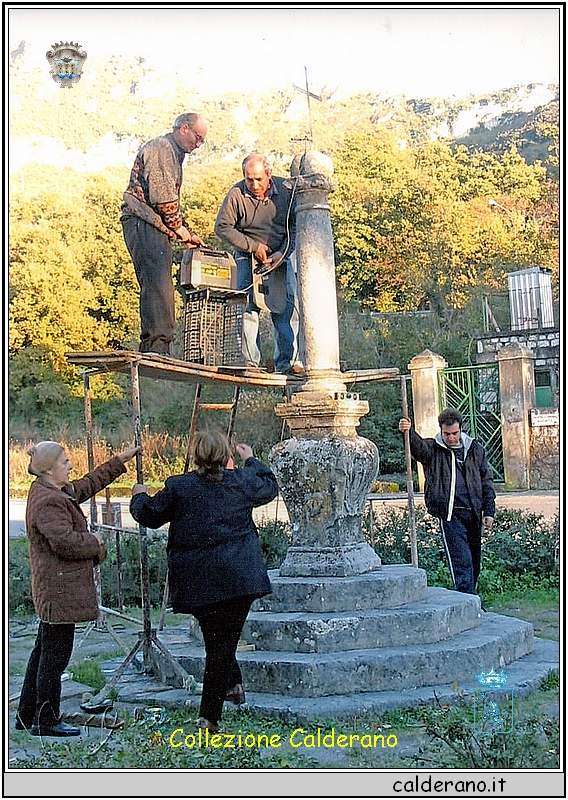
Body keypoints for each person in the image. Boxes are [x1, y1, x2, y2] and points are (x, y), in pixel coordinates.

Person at [129, 431, 278, 732]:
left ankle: (209, 715)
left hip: (199, 581)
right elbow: (269, 486)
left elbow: (148, 515)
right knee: (220, 643)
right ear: (226, 457)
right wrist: (251, 459)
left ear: (195, 456)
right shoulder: (241, 483)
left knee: (218, 643)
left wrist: (138, 494)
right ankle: (229, 690)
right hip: (239, 577)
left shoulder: (179, 487)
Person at [16, 441, 139, 736]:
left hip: (55, 590)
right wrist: (95, 544)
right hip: (59, 592)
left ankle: (26, 714)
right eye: (65, 461)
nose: (70, 465)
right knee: (54, 659)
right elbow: (65, 542)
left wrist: (118, 462)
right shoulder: (49, 501)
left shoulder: (48, 490)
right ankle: (45, 721)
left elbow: (86, 486)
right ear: (48, 469)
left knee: (43, 650)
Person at [121, 113, 208, 356]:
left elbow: (170, 202)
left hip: (150, 223)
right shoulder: (162, 148)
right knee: (158, 283)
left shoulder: (172, 153)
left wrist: (187, 233)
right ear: (184, 128)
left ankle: (155, 344)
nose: (198, 145)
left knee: (156, 283)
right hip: (143, 221)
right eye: (197, 137)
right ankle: (158, 346)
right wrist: (180, 229)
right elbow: (163, 197)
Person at [214, 153, 303, 375]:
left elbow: (296, 225)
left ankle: (288, 362)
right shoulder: (236, 194)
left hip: (279, 255)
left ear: (269, 175)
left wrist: (283, 253)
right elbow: (223, 227)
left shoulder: (286, 191)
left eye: (258, 179)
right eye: (249, 179)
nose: (254, 184)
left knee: (286, 306)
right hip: (247, 254)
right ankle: (250, 362)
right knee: (246, 305)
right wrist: (253, 247)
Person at [398, 408, 496, 595]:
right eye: (447, 434)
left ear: (460, 430)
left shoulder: (475, 450)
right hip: (451, 515)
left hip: (474, 512)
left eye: (454, 434)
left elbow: (486, 482)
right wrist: (408, 431)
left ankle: (470, 600)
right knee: (461, 560)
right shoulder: (434, 450)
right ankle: (467, 600)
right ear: (441, 431)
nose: (451, 438)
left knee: (475, 560)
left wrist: (489, 511)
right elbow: (418, 448)